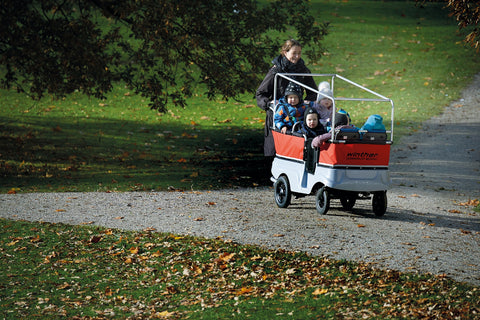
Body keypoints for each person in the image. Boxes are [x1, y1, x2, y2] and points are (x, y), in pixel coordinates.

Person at [256, 39, 318, 158]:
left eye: (299, 53)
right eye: (294, 53)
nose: (297, 56)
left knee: (296, 153)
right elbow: (260, 93)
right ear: (285, 52)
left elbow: (313, 92)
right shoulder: (276, 71)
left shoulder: (304, 71)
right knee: (274, 153)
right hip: (278, 115)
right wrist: (270, 104)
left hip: (298, 115)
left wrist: (305, 103)